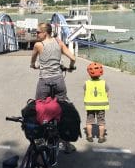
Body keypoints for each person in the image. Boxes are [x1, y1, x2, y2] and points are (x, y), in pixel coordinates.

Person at [30, 22, 76, 153]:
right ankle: (66, 143)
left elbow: (32, 61)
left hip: (44, 81)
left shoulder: (38, 45)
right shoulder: (59, 42)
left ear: (45, 33)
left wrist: (33, 65)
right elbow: (73, 58)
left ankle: (38, 139)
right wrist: (71, 67)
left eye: (38, 32)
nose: (36, 34)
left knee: (38, 108)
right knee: (63, 109)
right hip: (59, 80)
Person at [84, 62, 109, 143]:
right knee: (101, 122)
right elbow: (107, 94)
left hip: (90, 106)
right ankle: (101, 137)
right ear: (100, 73)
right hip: (101, 106)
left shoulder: (87, 83)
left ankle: (90, 137)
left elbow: (85, 93)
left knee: (89, 121)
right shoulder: (104, 83)